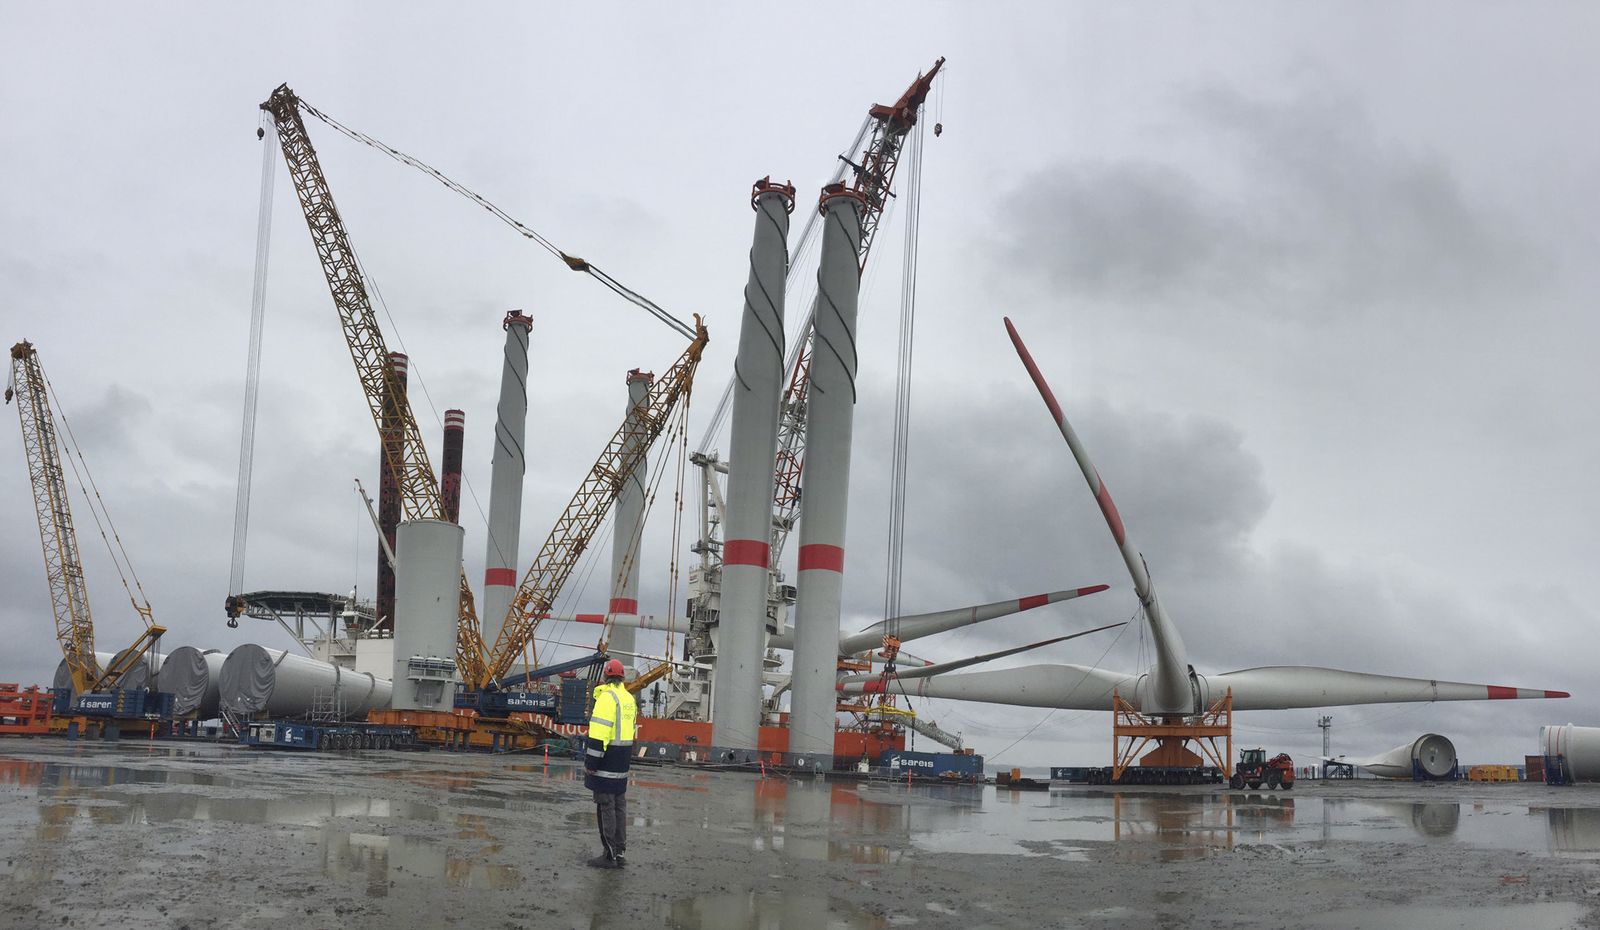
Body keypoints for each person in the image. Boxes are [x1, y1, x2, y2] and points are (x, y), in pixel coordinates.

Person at [584, 658, 637, 868]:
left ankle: (609, 855)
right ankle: (620, 852)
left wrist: (591, 763)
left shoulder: (606, 699)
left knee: (605, 806)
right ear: (622, 677)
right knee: (619, 807)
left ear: (605, 676)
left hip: (606, 762)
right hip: (622, 761)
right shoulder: (628, 698)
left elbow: (598, 735)